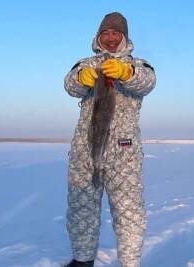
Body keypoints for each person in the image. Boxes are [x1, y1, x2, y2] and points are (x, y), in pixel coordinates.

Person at [63, 12, 156, 267]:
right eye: (106, 33)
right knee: (82, 208)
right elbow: (70, 85)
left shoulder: (139, 65)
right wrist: (81, 78)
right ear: (98, 37)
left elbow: (148, 81)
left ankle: (129, 263)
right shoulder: (85, 64)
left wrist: (126, 72)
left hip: (122, 153)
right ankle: (82, 261)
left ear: (124, 37)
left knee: (128, 212)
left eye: (117, 33)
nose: (111, 37)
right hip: (86, 149)